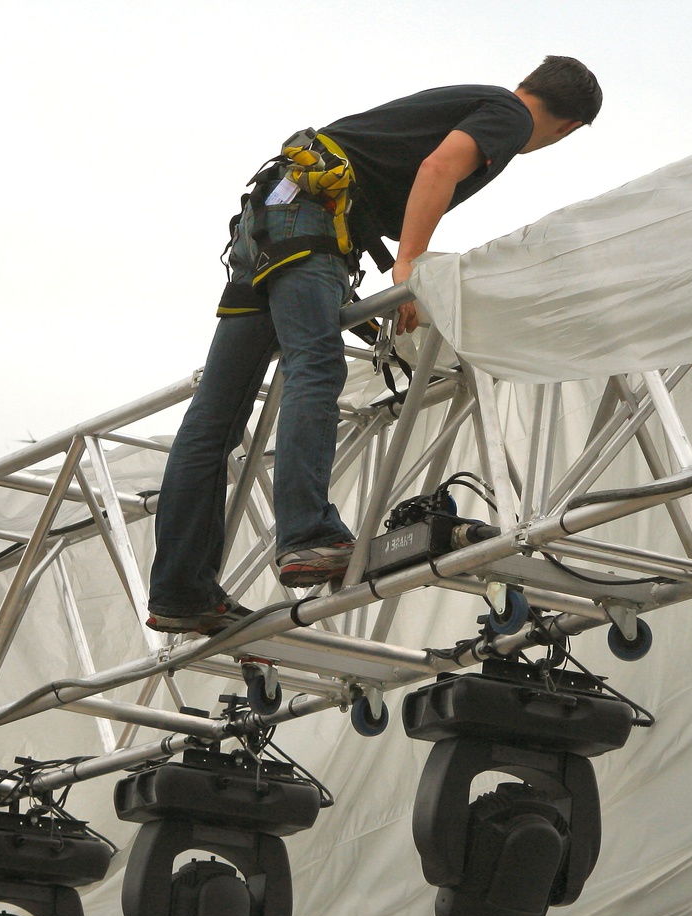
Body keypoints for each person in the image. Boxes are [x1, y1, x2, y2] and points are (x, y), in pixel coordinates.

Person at [146, 57, 602, 635]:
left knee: (214, 416)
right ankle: (307, 534)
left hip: (265, 231)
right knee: (314, 367)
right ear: (565, 128)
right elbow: (439, 168)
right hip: (305, 231)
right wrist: (409, 265)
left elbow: (377, 186)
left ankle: (180, 590)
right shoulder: (508, 116)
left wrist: (390, 262)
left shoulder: (473, 99)